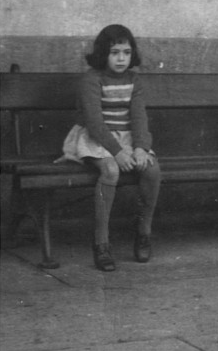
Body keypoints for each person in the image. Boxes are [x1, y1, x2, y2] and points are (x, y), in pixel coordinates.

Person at [61, 24, 161, 271]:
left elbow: (139, 118)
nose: (121, 59)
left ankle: (143, 231)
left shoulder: (134, 81)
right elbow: (95, 123)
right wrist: (117, 152)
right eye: (114, 52)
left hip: (127, 139)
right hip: (97, 139)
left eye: (126, 53)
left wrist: (140, 148)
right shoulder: (92, 79)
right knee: (111, 171)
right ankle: (101, 242)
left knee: (151, 169)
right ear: (103, 53)